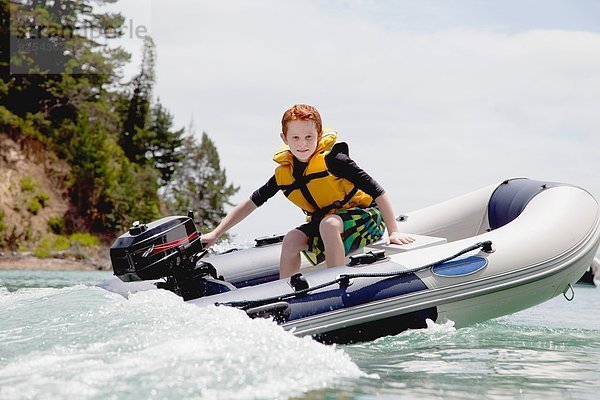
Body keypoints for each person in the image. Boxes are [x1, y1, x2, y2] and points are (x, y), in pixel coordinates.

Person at [201, 104, 414, 278]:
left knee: (328, 224)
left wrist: (393, 231)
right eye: (295, 138)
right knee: (292, 239)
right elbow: (251, 203)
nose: (302, 144)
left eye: (309, 138)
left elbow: (378, 192)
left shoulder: (335, 161)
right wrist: (216, 233)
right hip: (329, 222)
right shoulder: (285, 173)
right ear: (284, 139)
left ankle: (336, 281)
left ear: (319, 136)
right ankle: (285, 293)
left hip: (368, 219)